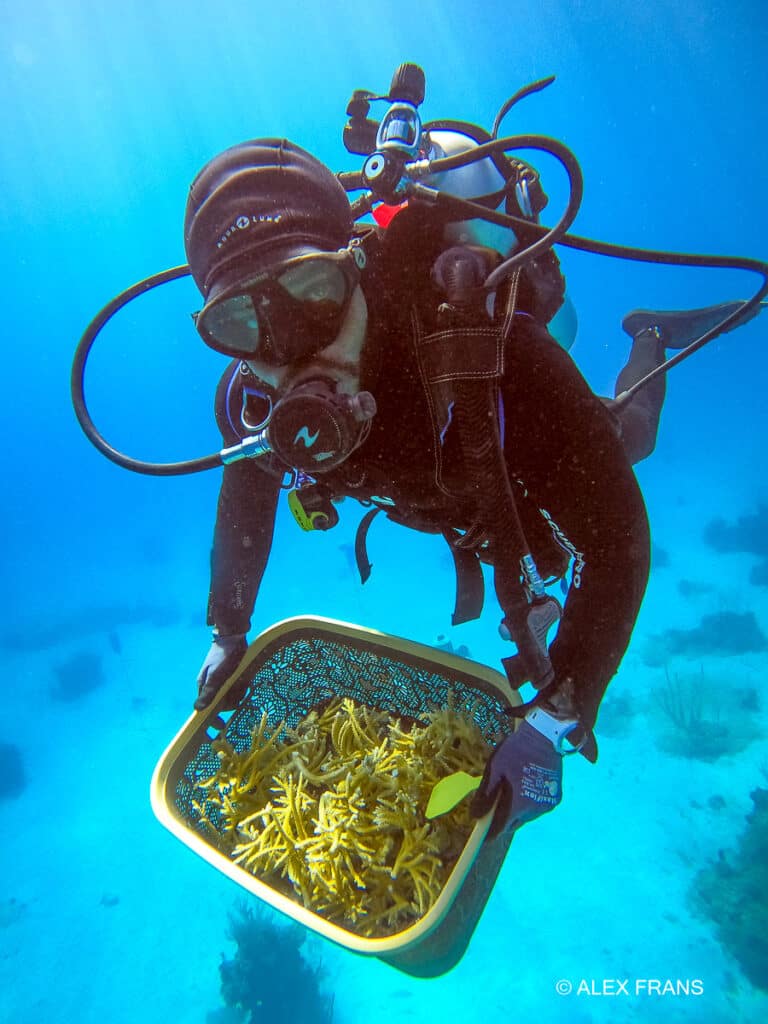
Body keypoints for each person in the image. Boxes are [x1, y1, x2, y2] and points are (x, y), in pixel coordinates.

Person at [180, 138, 694, 835]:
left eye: (314, 293)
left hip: (497, 461)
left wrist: (554, 718)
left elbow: (619, 543)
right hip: (451, 495)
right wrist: (228, 630)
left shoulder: (490, 346)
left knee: (630, 441)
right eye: (242, 323)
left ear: (355, 269)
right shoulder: (252, 406)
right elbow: (244, 502)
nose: (292, 350)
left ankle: (653, 336)